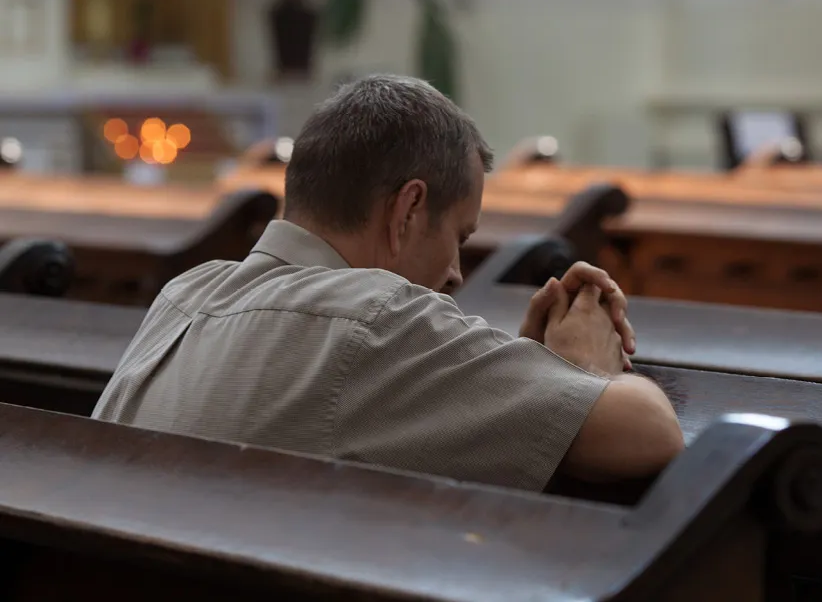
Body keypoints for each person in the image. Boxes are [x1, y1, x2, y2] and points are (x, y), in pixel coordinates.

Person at [93, 75, 684, 492]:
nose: (456, 271)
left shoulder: (184, 295)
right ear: (407, 211)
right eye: (459, 235)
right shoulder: (376, 318)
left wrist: (529, 376)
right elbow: (649, 433)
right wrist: (584, 368)